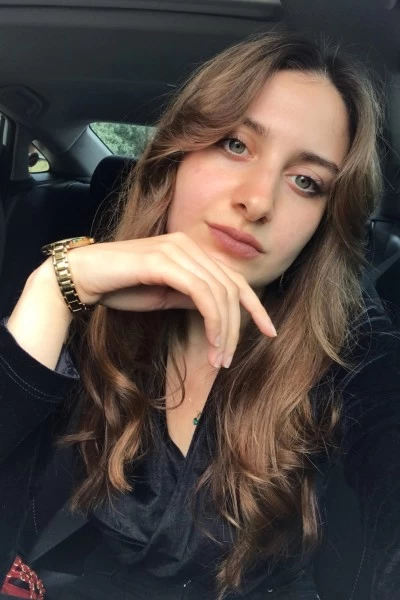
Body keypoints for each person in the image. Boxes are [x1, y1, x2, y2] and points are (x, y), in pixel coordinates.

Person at [0, 31, 399, 600]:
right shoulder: (80, 313)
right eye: (235, 144)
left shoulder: (347, 345)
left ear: (323, 223)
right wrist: (56, 288)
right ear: (175, 157)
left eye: (307, 181)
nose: (258, 200)